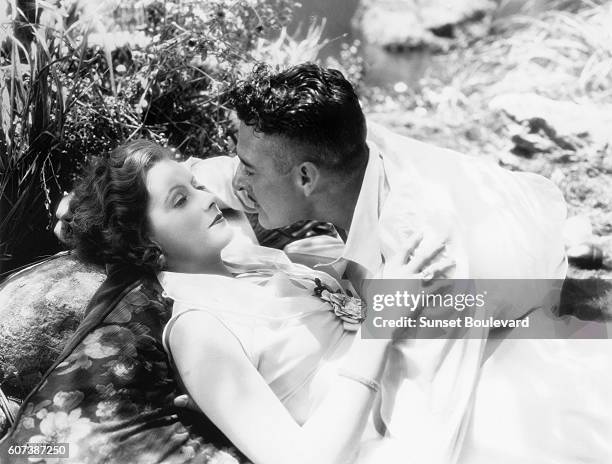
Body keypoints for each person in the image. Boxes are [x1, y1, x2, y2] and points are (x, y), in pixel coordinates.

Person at [184, 63, 569, 463]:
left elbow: (422, 440)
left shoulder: (427, 263)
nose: (240, 183)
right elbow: (229, 173)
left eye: (248, 170)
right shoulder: (342, 144)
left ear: (305, 178)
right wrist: (181, 180)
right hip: (476, 202)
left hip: (514, 275)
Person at [1, 140, 451, 464]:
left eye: (196, 185)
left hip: (424, 372)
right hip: (401, 432)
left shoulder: (256, 261)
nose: (208, 198)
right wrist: (384, 323)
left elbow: (241, 170)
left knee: (504, 289)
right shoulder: (198, 328)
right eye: (181, 200)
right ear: (147, 245)